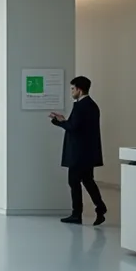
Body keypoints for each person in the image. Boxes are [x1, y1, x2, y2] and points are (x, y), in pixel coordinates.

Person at [51, 76, 108, 226]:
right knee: (88, 181)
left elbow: (73, 128)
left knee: (74, 182)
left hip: (78, 153)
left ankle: (77, 214)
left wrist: (59, 122)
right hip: (87, 152)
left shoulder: (81, 106)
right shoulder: (92, 105)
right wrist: (64, 121)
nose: (71, 92)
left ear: (79, 89)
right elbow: (78, 126)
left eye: (72, 89)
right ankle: (100, 207)